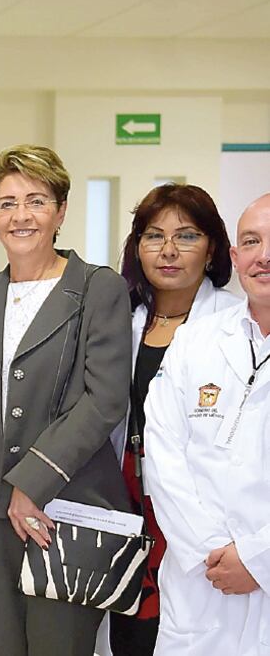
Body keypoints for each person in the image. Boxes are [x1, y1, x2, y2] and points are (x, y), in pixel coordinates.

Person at [0, 145, 133, 655]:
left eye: (36, 200)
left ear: (61, 211)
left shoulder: (98, 288)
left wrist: (33, 482)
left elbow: (104, 398)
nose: (21, 215)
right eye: (6, 203)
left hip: (65, 514)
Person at [103, 184, 239, 655]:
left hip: (194, 506)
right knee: (129, 629)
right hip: (125, 499)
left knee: (189, 626)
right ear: (136, 246)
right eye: (153, 236)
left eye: (186, 236)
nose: (167, 251)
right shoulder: (120, 319)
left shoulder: (236, 323)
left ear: (213, 249)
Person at [143, 193, 270, 656]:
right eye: (252, 242)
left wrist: (259, 559)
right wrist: (211, 551)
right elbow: (162, 454)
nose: (264, 256)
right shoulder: (196, 341)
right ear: (235, 257)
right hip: (201, 582)